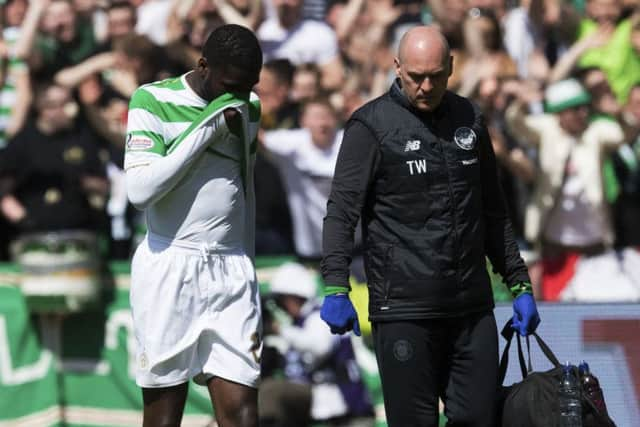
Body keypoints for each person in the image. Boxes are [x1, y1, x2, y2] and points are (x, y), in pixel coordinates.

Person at [319, 26, 541, 427]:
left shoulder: (470, 119)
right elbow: (341, 213)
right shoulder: (370, 126)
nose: (425, 86)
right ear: (397, 68)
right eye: (416, 76)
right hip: (404, 310)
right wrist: (336, 286)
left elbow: (493, 211)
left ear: (452, 68)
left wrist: (519, 283)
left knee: (479, 420)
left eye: (436, 76)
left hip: (471, 309)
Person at [124, 24, 263, 427]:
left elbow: (244, 191)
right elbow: (139, 190)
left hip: (230, 269)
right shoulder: (152, 99)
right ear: (203, 66)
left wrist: (247, 265)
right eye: (231, 84)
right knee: (165, 417)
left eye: (249, 85)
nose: (240, 95)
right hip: (170, 264)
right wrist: (209, 128)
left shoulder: (248, 105)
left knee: (242, 414)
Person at [261, 262, 373, 427]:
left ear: (295, 296)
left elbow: (320, 347)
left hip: (335, 398)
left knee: (271, 391)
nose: (281, 307)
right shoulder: (297, 324)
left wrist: (281, 331)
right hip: (311, 399)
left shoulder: (320, 314)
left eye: (281, 300)